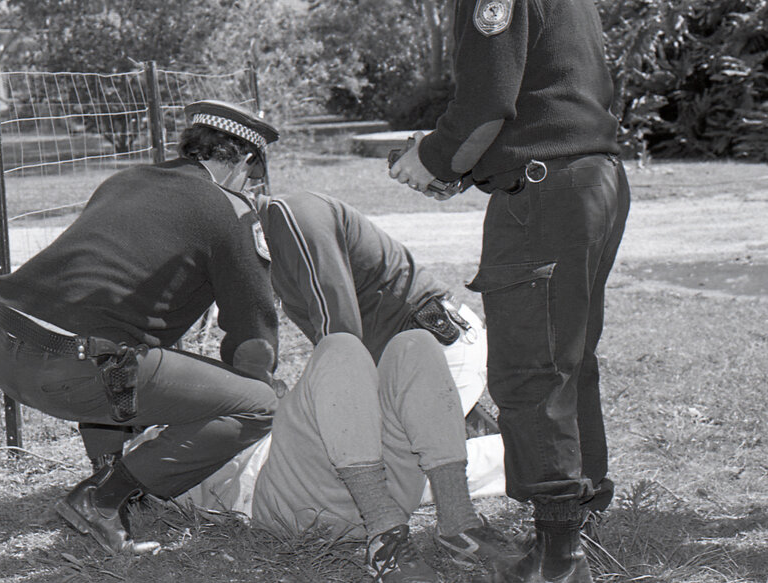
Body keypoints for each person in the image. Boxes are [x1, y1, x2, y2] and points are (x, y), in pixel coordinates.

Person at [388, 0, 631, 581]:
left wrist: (433, 158)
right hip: (589, 178)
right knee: (568, 360)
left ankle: (556, 557)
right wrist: (464, 167)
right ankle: (578, 517)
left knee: (531, 367)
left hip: (546, 192)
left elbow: (486, 102)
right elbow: (549, 91)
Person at [0, 100, 284, 555]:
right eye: (254, 177)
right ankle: (103, 499)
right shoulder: (228, 208)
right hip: (76, 367)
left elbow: (102, 294)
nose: (252, 187)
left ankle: (107, 476)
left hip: (3, 344)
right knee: (258, 406)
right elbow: (253, 333)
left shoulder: (126, 180)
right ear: (243, 160)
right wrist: (257, 383)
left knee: (116, 347)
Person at [248, 189, 514, 583]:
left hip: (436, 351)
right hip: (302, 497)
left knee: (395, 347)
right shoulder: (268, 238)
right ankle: (386, 529)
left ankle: (458, 518)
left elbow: (339, 330)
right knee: (354, 358)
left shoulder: (291, 214)